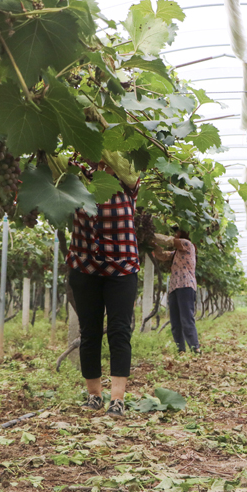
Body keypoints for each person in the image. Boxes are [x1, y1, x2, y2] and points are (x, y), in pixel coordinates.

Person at [66, 160, 140, 418]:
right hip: (85, 266)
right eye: (97, 158)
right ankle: (94, 396)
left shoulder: (127, 182)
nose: (103, 163)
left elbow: (127, 165)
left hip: (122, 267)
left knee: (119, 330)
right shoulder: (78, 180)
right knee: (90, 331)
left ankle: (117, 400)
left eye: (107, 158)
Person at [153, 228, 201, 353]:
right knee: (175, 321)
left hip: (186, 286)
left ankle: (195, 347)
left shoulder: (187, 244)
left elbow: (170, 241)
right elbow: (162, 255)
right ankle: (181, 349)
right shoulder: (176, 253)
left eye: (177, 233)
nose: (175, 235)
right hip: (174, 287)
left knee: (186, 318)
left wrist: (152, 235)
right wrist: (152, 244)